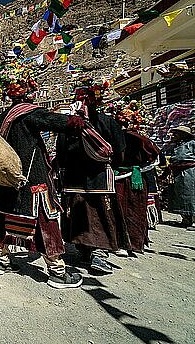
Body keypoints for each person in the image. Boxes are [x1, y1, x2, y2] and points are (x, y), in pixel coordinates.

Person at [0, 64, 84, 289]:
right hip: (32, 179)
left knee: (1, 219)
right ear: (29, 89)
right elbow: (60, 123)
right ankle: (57, 272)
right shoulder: (30, 113)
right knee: (45, 223)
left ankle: (1, 261)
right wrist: (78, 120)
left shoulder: (1, 119)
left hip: (5, 181)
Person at [57, 77, 126, 275]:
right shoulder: (107, 122)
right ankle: (97, 253)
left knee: (82, 214)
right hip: (99, 177)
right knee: (99, 215)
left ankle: (87, 249)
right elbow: (120, 152)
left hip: (75, 178)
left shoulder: (68, 124)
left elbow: (61, 153)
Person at [107, 99, 159, 254]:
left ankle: (121, 243)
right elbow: (155, 158)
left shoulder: (113, 139)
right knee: (135, 210)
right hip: (136, 179)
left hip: (120, 179)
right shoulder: (142, 139)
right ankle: (137, 242)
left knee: (119, 211)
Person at [166, 125, 195, 230]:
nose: (174, 135)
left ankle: (193, 221)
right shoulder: (178, 145)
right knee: (181, 196)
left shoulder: (192, 144)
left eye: (177, 134)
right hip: (179, 173)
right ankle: (186, 219)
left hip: (190, 172)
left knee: (190, 195)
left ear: (183, 135)